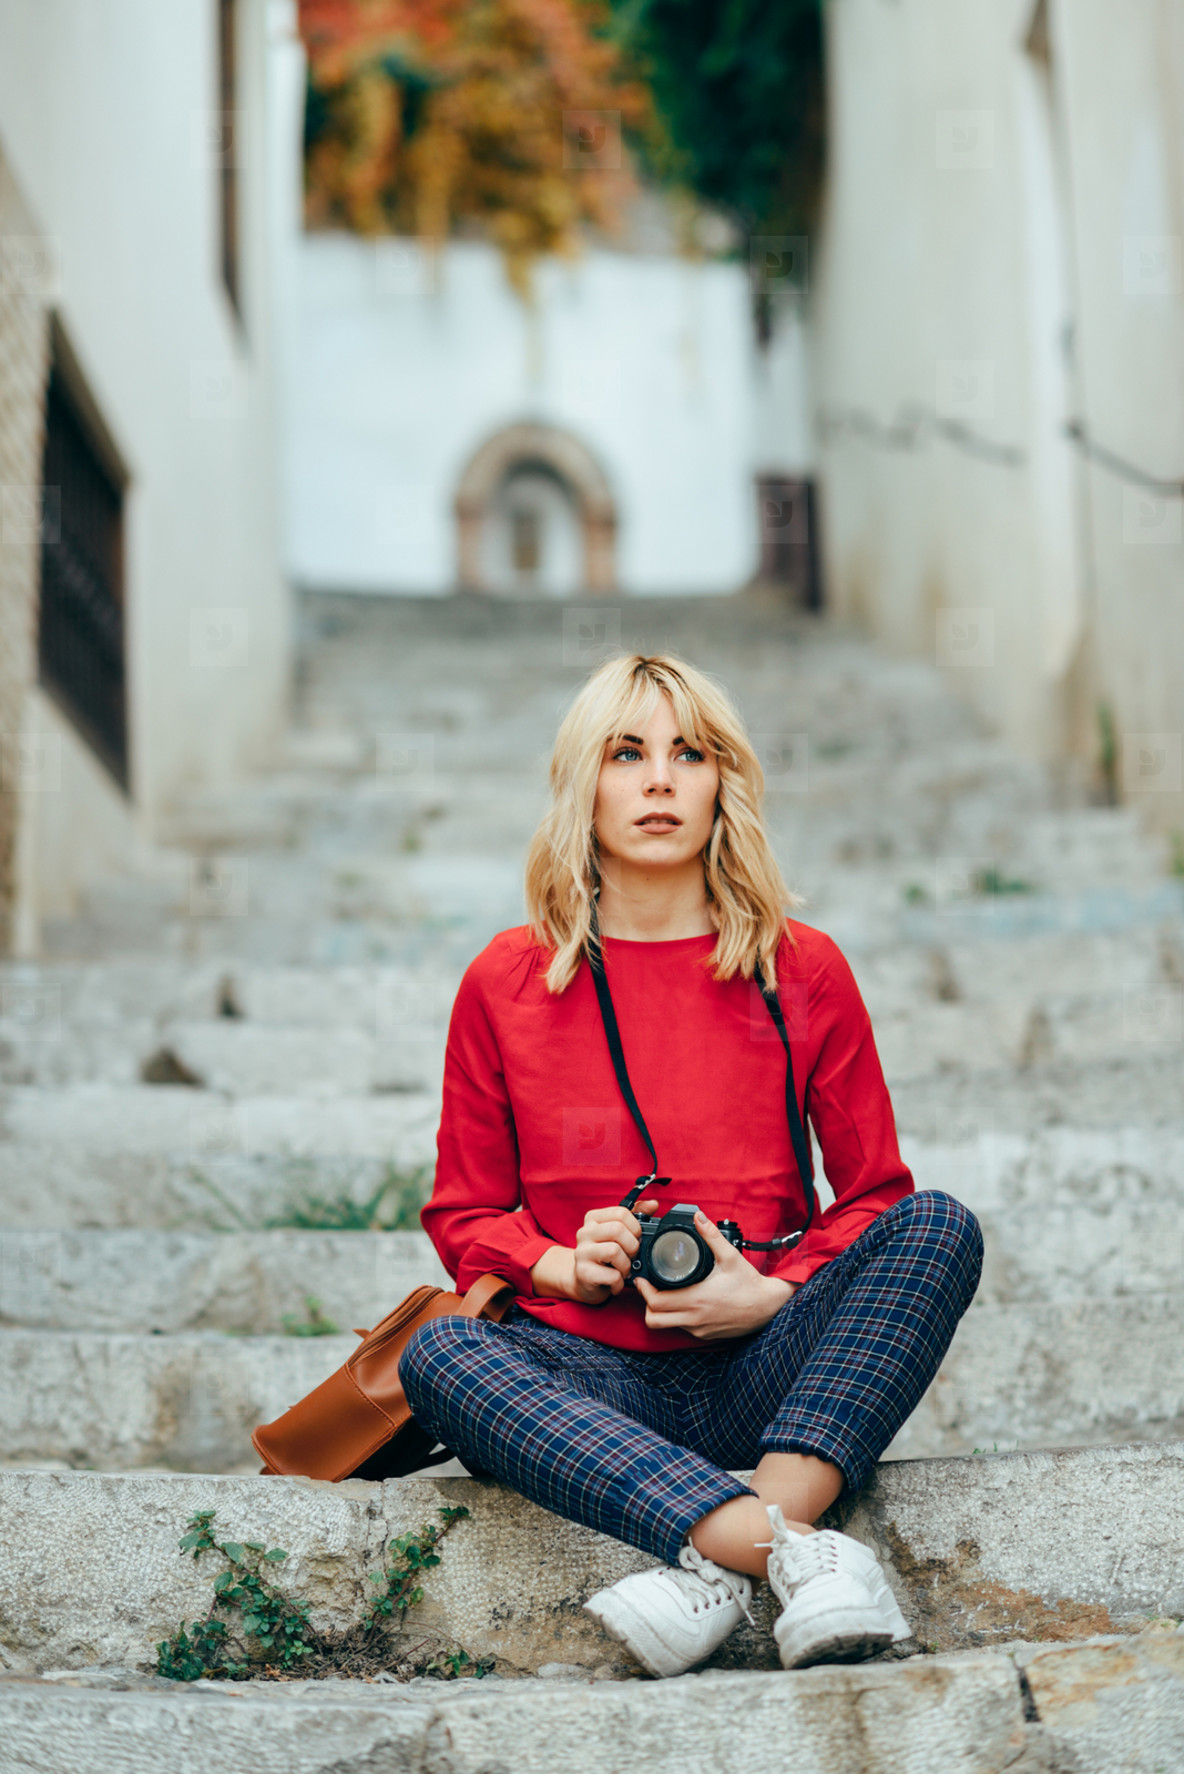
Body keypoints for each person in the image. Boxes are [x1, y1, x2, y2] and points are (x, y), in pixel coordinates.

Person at [400, 652, 982, 1677]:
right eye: (626, 753)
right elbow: (464, 1213)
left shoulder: (799, 967)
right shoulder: (505, 980)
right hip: (587, 1375)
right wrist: (555, 1265)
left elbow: (875, 1198)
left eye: (688, 753)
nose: (659, 779)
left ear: (723, 783)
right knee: (440, 1358)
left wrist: (771, 1290)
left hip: (765, 1364)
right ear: (584, 783)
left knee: (937, 1224)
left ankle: (708, 1562)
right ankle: (781, 1551)